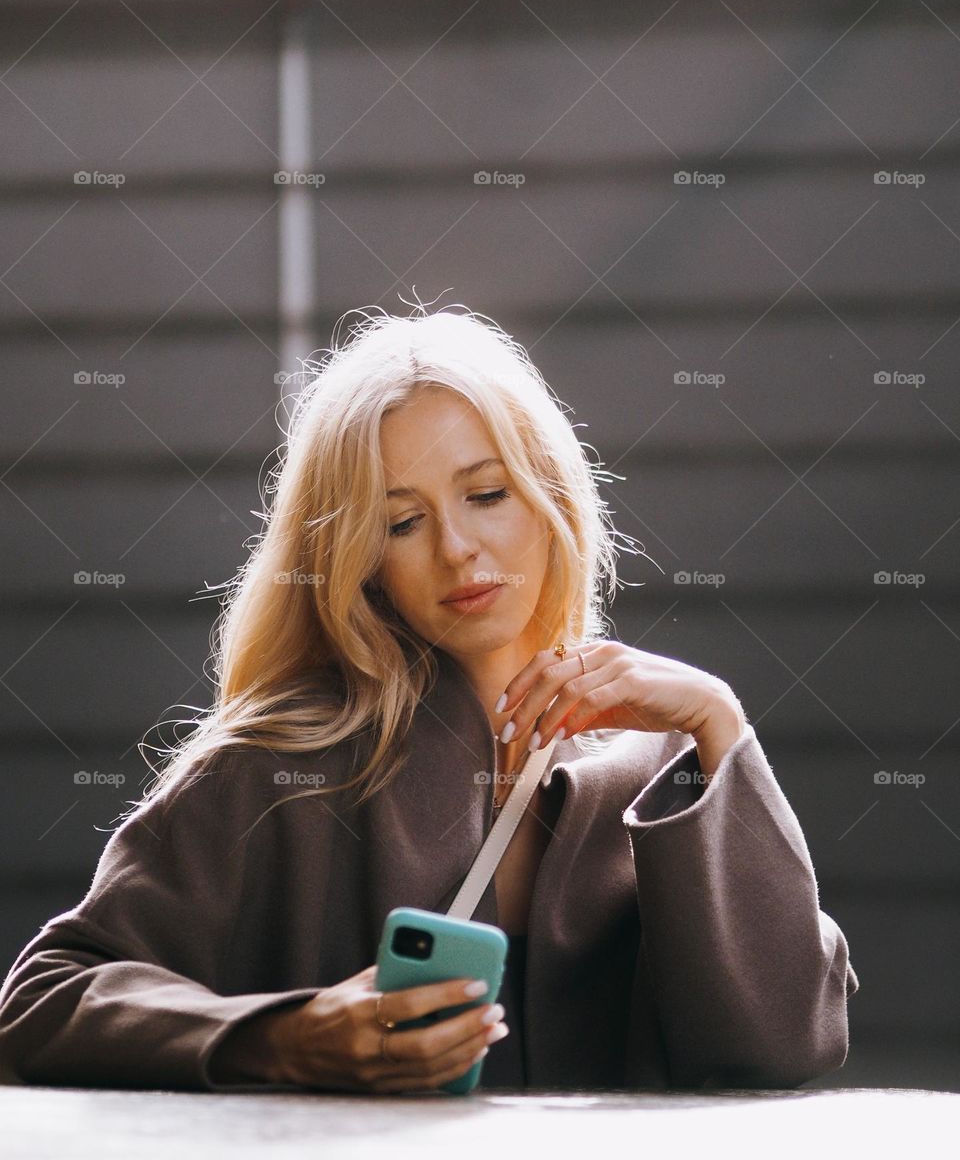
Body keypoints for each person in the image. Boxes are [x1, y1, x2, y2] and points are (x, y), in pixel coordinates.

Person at [0, 304, 858, 1093]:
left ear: (550, 494)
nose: (457, 548)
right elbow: (37, 1004)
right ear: (356, 560)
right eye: (400, 522)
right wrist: (284, 1037)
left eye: (487, 494)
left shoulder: (670, 767)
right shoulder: (275, 771)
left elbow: (784, 1048)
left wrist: (719, 723)